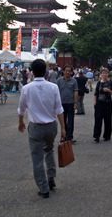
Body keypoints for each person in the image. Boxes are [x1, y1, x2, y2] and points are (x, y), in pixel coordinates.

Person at [18, 59, 66, 198]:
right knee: (49, 150)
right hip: (51, 125)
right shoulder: (53, 87)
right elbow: (58, 109)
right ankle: (51, 178)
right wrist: (63, 127)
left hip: (35, 126)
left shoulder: (26, 88)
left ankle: (43, 187)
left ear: (32, 72)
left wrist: (21, 122)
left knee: (37, 157)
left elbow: (22, 109)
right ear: (46, 71)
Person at [93, 68, 112, 142]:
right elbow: (96, 93)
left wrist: (109, 90)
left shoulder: (111, 83)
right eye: (103, 73)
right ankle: (96, 136)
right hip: (100, 102)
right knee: (98, 119)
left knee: (108, 119)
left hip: (108, 102)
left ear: (108, 74)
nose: (104, 74)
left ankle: (107, 135)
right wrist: (95, 102)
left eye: (106, 73)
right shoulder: (99, 83)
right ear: (101, 74)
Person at [56, 65, 78, 142]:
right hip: (61, 103)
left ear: (71, 72)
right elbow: (56, 92)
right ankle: (63, 136)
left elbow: (75, 92)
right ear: (63, 71)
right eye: (66, 70)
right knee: (63, 121)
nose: (67, 72)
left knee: (71, 121)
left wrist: (75, 102)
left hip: (71, 103)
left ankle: (69, 137)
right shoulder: (59, 81)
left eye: (69, 71)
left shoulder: (74, 81)